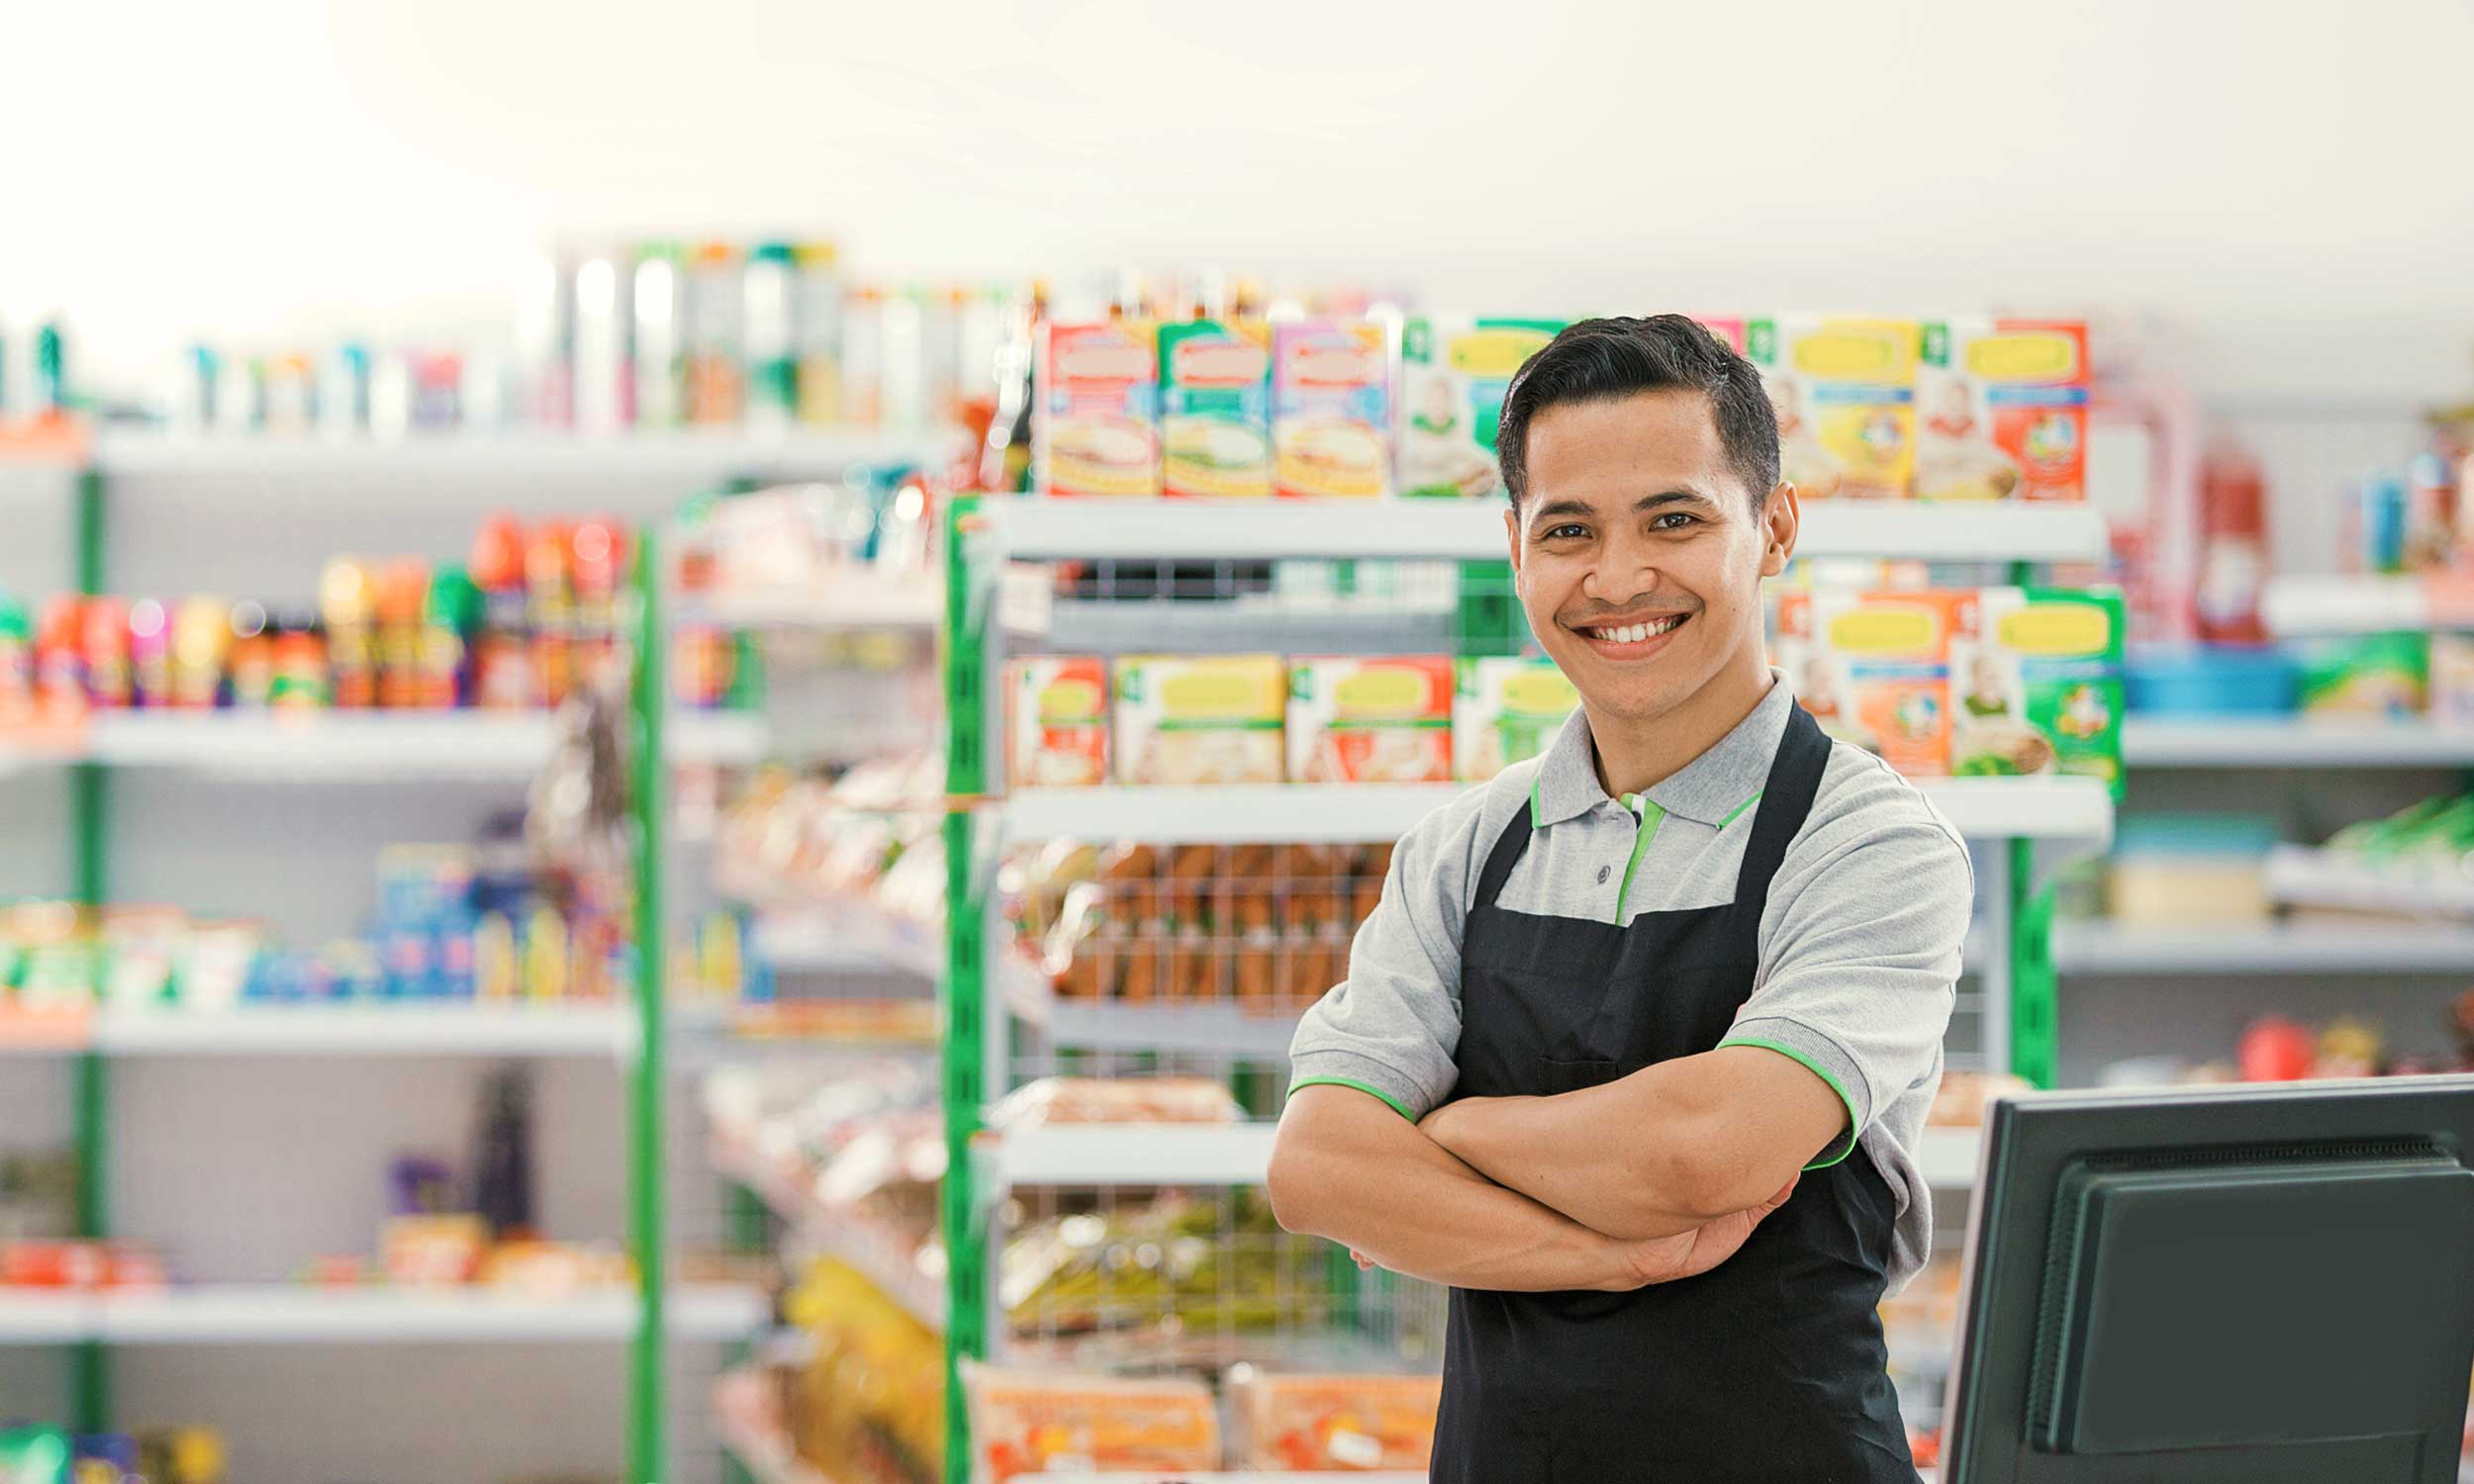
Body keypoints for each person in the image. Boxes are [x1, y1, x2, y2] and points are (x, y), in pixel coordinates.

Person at [1267, 315, 1971, 1482]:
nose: (1619, 578)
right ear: (1516, 551)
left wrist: (1450, 1134)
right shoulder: (1465, 848)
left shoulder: (1868, 841)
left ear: (1774, 527)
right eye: (1569, 531)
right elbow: (1317, 1171)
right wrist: (1616, 1256)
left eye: (1673, 520)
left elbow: (1712, 1152)